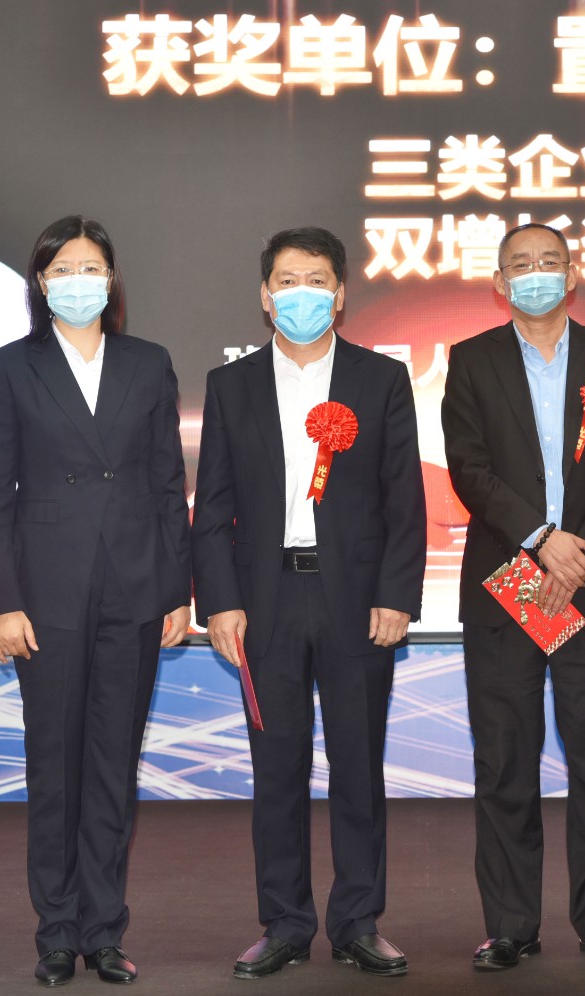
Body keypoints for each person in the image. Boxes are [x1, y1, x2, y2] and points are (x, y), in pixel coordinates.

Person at [191, 226, 426, 980]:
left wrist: (396, 594)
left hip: (356, 599)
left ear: (341, 293)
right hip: (264, 603)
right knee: (277, 771)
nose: (302, 294)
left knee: (358, 767)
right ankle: (285, 923)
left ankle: (358, 921)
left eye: (317, 280)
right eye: (287, 281)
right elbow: (212, 507)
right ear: (266, 297)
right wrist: (219, 602)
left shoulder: (380, 379)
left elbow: (404, 500)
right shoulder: (230, 385)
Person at [0, 215, 192, 987]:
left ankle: (103, 932)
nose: (78, 280)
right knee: (55, 769)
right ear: (42, 283)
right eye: (62, 269)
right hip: (47, 596)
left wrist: (176, 591)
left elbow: (168, 484)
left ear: (111, 277)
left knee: (111, 768)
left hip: (134, 590)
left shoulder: (148, 362)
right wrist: (3, 602)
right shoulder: (12, 367)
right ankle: (55, 934)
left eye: (91, 267)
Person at [442, 223, 585, 972]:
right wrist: (539, 538)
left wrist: (575, 552)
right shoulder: (471, 359)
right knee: (504, 762)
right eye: (520, 264)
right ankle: (510, 927)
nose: (536, 273)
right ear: (500, 282)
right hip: (508, 581)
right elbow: (468, 467)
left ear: (573, 273)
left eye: (549, 261)